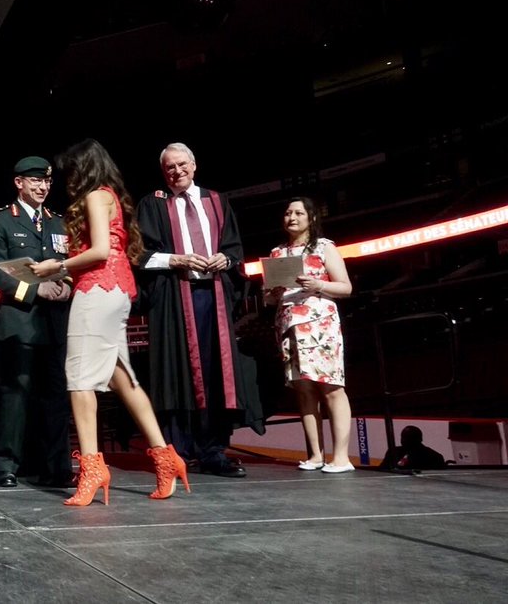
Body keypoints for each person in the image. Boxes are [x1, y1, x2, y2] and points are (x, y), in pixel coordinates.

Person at [31, 139, 189, 504]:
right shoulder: (110, 196)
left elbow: (100, 250)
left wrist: (57, 266)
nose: (66, 179)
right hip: (115, 289)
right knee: (123, 378)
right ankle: (167, 458)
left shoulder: (94, 197)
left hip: (98, 289)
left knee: (79, 378)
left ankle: (92, 466)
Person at [136, 142, 263, 478]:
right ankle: (180, 451)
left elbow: (234, 246)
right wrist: (174, 259)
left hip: (214, 296)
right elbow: (139, 253)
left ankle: (213, 450)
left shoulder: (217, 201)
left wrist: (228, 258)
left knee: (215, 375)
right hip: (175, 299)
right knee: (178, 373)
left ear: (194, 165)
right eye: (169, 169)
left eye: (181, 165)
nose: (176, 172)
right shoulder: (153, 204)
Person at [0, 156, 73, 488]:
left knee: (56, 395)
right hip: (19, 321)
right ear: (19, 183)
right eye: (35, 181)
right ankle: (6, 464)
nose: (43, 186)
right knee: (14, 395)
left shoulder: (59, 222)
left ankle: (57, 466)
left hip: (56, 322)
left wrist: (68, 286)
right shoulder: (0, 222)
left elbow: (72, 263)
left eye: (46, 181)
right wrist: (35, 290)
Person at [264, 197, 355, 473]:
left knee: (330, 387)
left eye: (299, 212)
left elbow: (346, 288)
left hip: (320, 323)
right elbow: (268, 299)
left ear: (311, 218)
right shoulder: (277, 253)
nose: (292, 216)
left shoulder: (324, 247)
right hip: (289, 325)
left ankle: (341, 458)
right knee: (303, 390)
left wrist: (317, 284)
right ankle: (315, 455)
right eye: (288, 212)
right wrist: (273, 292)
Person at [379, 425, 447, 471]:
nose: (404, 440)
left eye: (409, 437)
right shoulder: (393, 452)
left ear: (419, 439)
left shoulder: (433, 457)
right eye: (403, 437)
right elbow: (382, 470)